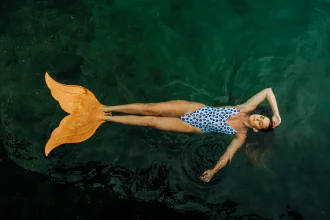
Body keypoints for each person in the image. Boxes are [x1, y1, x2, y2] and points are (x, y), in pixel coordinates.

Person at [101, 88, 281, 183]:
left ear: (256, 129)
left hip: (191, 126)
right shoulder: (246, 108)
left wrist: (212, 171)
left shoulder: (240, 135)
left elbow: (227, 156)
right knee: (150, 108)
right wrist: (276, 114)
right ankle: (108, 108)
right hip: (194, 108)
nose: (259, 119)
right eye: (262, 117)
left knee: (150, 121)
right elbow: (268, 91)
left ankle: (106, 119)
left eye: (260, 123)